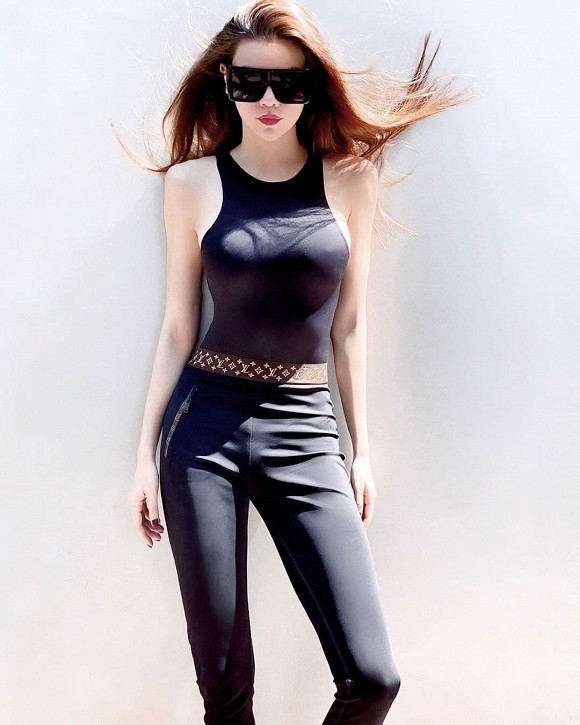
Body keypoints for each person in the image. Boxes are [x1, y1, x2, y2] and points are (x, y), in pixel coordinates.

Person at [124, 1, 473, 722]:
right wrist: (143, 458)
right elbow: (178, 328)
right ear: (225, 82)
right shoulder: (190, 184)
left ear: (313, 88)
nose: (269, 100)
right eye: (249, 82)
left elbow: (350, 325)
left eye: (288, 84)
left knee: (372, 678)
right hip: (203, 431)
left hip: (307, 428)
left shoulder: (351, 179)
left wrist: (361, 450)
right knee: (225, 685)